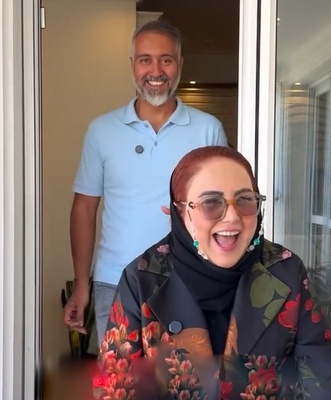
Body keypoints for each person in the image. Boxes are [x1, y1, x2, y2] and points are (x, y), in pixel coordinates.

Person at [93, 146, 331, 400]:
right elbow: (115, 386)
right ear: (180, 211)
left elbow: (325, 377)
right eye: (211, 202)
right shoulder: (143, 278)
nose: (232, 217)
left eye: (244, 200)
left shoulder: (285, 269)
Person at [63, 20, 228, 345]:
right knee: (119, 376)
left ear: (179, 64)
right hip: (115, 281)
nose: (156, 70)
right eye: (145, 60)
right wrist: (82, 285)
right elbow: (84, 209)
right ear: (132, 65)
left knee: (184, 375)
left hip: (188, 281)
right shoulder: (101, 131)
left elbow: (224, 210)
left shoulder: (208, 129)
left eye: (166, 59)